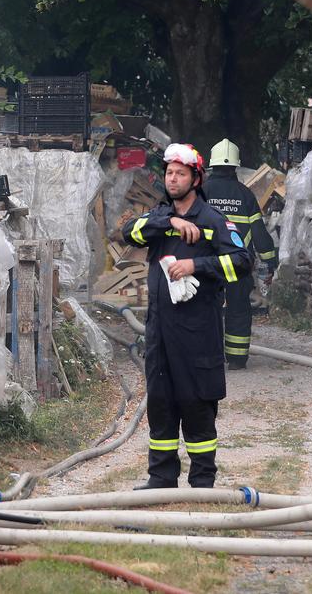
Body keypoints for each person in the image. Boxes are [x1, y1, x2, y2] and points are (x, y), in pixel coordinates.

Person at [126, 143, 254, 489]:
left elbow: (242, 262)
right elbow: (129, 233)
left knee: (197, 405)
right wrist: (169, 221)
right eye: (169, 172)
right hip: (160, 334)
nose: (173, 178)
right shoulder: (160, 215)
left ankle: (202, 481)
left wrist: (196, 264)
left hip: (197, 333)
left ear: (196, 179)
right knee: (162, 404)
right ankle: (161, 478)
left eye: (180, 173)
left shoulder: (212, 220)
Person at [204, 139, 275, 369]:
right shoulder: (245, 195)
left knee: (205, 310)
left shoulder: (201, 192)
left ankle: (207, 356)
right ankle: (236, 359)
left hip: (208, 264)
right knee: (238, 310)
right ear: (236, 166)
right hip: (238, 263)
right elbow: (260, 234)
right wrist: (269, 261)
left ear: (212, 164)